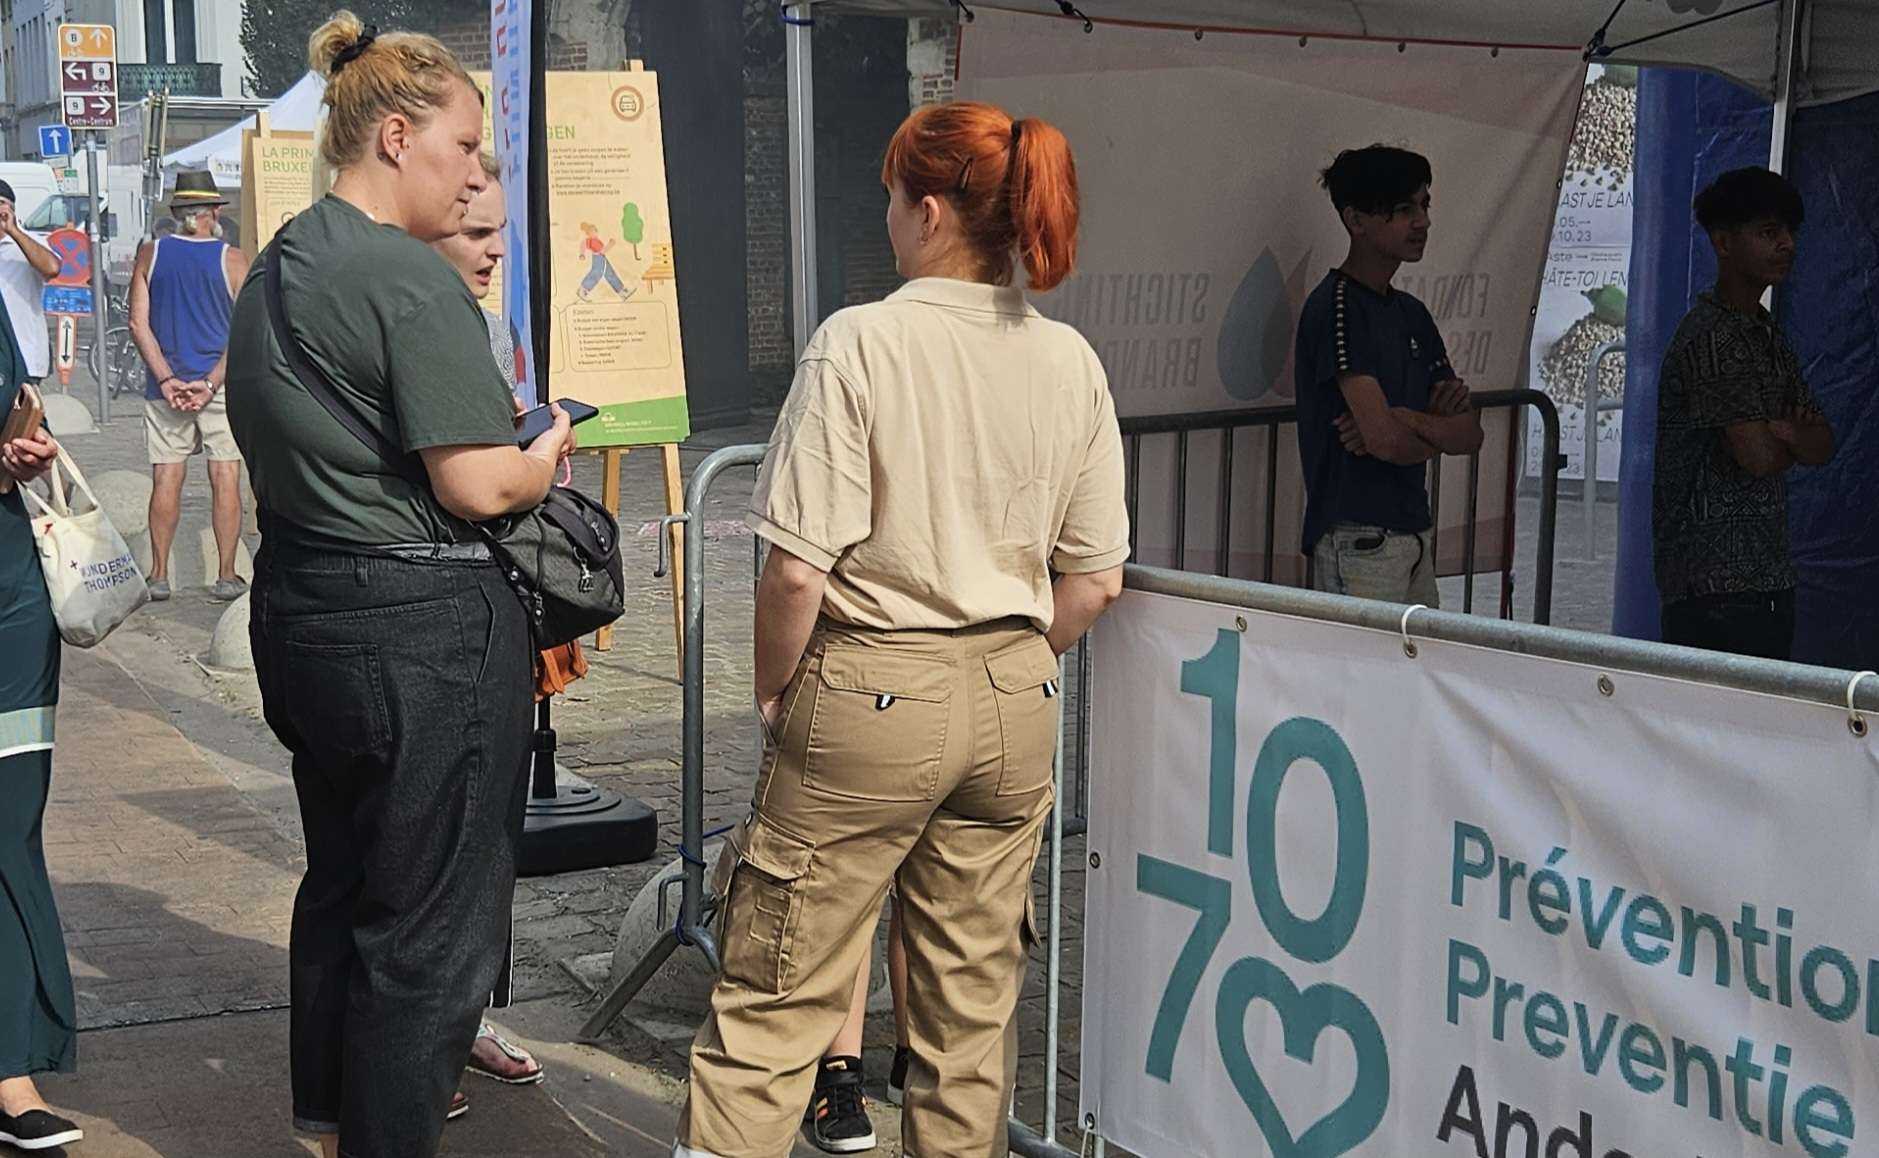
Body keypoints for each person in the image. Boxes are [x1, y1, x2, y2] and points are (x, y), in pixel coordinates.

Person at [673, 99, 1129, 1158]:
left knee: (773, 1004)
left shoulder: (860, 342)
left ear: (927, 211)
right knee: (970, 1024)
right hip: (1015, 695)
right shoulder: (1070, 359)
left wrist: (777, 692)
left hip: (869, 681)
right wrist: (1012, 665)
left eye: (889, 197)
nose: (885, 216)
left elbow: (796, 568)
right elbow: (1095, 579)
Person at [225, 12, 575, 1158]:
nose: (477, 174)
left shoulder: (280, 263)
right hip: (415, 633)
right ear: (393, 136)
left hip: (303, 609)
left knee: (342, 887)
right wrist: (548, 448)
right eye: (465, 148)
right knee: (430, 934)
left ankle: (324, 1126)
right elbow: (478, 485)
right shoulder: (406, 284)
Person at [426, 151, 549, 1096]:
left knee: (486, 836)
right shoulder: (408, 314)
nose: (494, 252)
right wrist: (533, 461)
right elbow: (480, 485)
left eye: (502, 232)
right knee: (429, 850)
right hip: (430, 619)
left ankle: (460, 1020)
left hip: (493, 601)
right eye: (475, 233)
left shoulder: (483, 318)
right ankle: (415, 1049)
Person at [1653, 167, 1834, 660]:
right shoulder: (1713, 338)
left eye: (1790, 232)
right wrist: (1791, 436)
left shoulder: (1766, 334)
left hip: (1765, 581)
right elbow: (1755, 455)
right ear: (1723, 243)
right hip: (1712, 591)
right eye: (1768, 232)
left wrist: (1789, 434)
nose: (1787, 245)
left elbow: (1823, 442)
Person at [1293, 145, 1483, 605]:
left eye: (1424, 205)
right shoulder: (1337, 307)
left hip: (1413, 533)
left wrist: (1407, 419)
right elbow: (1383, 441)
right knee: (1363, 675)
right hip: (1359, 537)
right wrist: (1412, 430)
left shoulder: (1411, 313)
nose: (1422, 221)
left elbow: (1470, 434)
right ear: (1355, 221)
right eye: (1402, 210)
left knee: (1414, 673)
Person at [1, 286, 83, 1150]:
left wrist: (25, 445)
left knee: (7, 828)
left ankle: (11, 1064)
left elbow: (19, 403)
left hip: (11, 609)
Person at [129, 171, 250, 603]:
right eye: (217, 209)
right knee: (225, 476)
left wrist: (166, 378)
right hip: (218, 389)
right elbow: (245, 330)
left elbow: (137, 324)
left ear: (179, 214)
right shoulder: (233, 259)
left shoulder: (150, 254)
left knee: (166, 478)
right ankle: (226, 574)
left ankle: (159, 575)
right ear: (209, 215)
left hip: (165, 390)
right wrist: (210, 382)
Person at [0, 180, 62, 386]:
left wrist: (13, 231)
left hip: (24, 357)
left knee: (24, 417)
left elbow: (52, 268)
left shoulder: (27, 243)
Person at [575, 222, 630, 301]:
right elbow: (602, 251)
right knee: (596, 274)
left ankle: (622, 291)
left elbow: (583, 244)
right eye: (593, 231)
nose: (596, 232)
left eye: (596, 230)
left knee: (609, 273)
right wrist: (611, 244)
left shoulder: (593, 240)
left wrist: (582, 254)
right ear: (589, 233)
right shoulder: (592, 241)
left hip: (601, 258)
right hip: (598, 258)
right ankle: (583, 290)